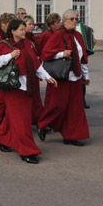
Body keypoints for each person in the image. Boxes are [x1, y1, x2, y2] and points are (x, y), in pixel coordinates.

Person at [0, 19, 57, 163]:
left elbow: (36, 64)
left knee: (14, 118)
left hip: (28, 87)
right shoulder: (4, 45)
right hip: (14, 88)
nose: (24, 32)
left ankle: (1, 139)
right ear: (13, 31)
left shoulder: (26, 44)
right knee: (22, 121)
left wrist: (48, 77)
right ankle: (27, 151)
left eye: (24, 29)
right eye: (21, 29)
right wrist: (10, 56)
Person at [37, 9, 90, 146]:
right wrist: (61, 54)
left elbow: (83, 57)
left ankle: (71, 136)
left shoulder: (78, 36)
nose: (74, 21)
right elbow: (45, 54)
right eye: (71, 19)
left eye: (76, 19)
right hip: (62, 76)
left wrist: (86, 75)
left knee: (75, 108)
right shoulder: (58, 35)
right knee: (57, 105)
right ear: (64, 21)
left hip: (76, 76)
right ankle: (43, 125)